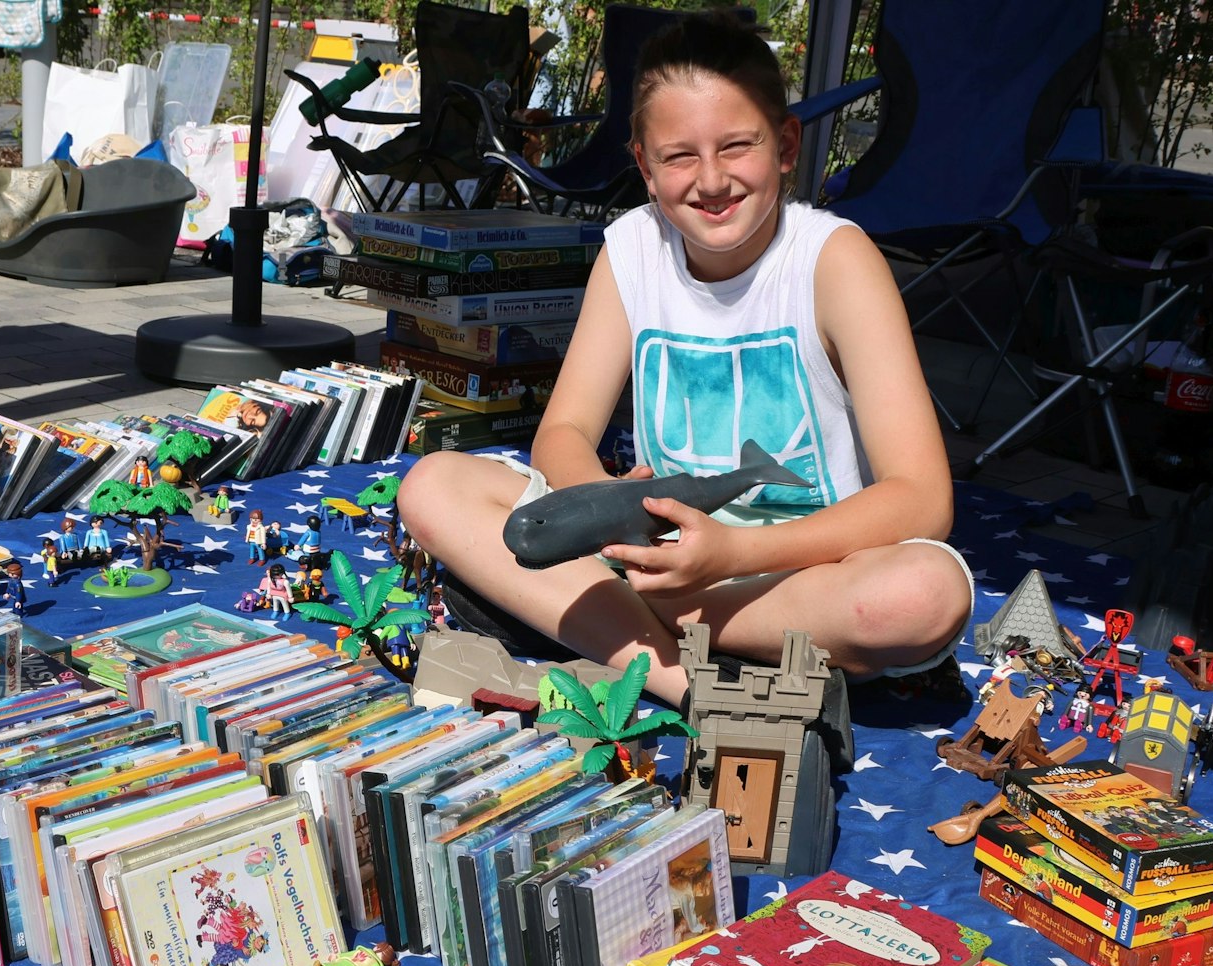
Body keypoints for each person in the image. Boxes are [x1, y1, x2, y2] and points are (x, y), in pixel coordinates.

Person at [398, 12, 969, 706]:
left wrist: (732, 555)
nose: (711, 179)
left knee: (921, 593)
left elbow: (922, 497)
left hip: (794, 573)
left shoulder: (836, 261)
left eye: (737, 146)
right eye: (678, 156)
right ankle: (690, 683)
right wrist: (606, 511)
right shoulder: (632, 249)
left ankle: (613, 628)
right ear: (643, 166)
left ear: (786, 145)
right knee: (432, 485)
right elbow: (564, 432)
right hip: (653, 562)